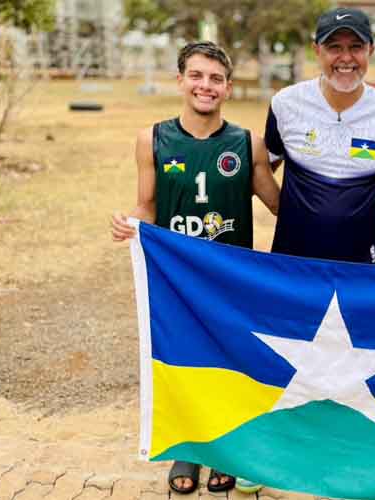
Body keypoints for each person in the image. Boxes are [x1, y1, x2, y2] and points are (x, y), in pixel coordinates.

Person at [110, 41, 279, 495]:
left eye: (216, 78)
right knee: (184, 358)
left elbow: (280, 203)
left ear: (227, 87)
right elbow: (147, 207)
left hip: (230, 276)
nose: (206, 85)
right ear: (181, 79)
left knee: (231, 360)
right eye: (197, 76)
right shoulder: (152, 138)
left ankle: (228, 449)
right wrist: (130, 225)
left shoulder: (248, 143)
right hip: (179, 277)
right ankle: (189, 447)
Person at [264, 7, 375, 264]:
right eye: (334, 47)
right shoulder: (286, 104)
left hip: (358, 268)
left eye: (356, 47)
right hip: (292, 266)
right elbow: (261, 169)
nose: (346, 58)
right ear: (316, 50)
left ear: (370, 51)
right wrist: (283, 208)